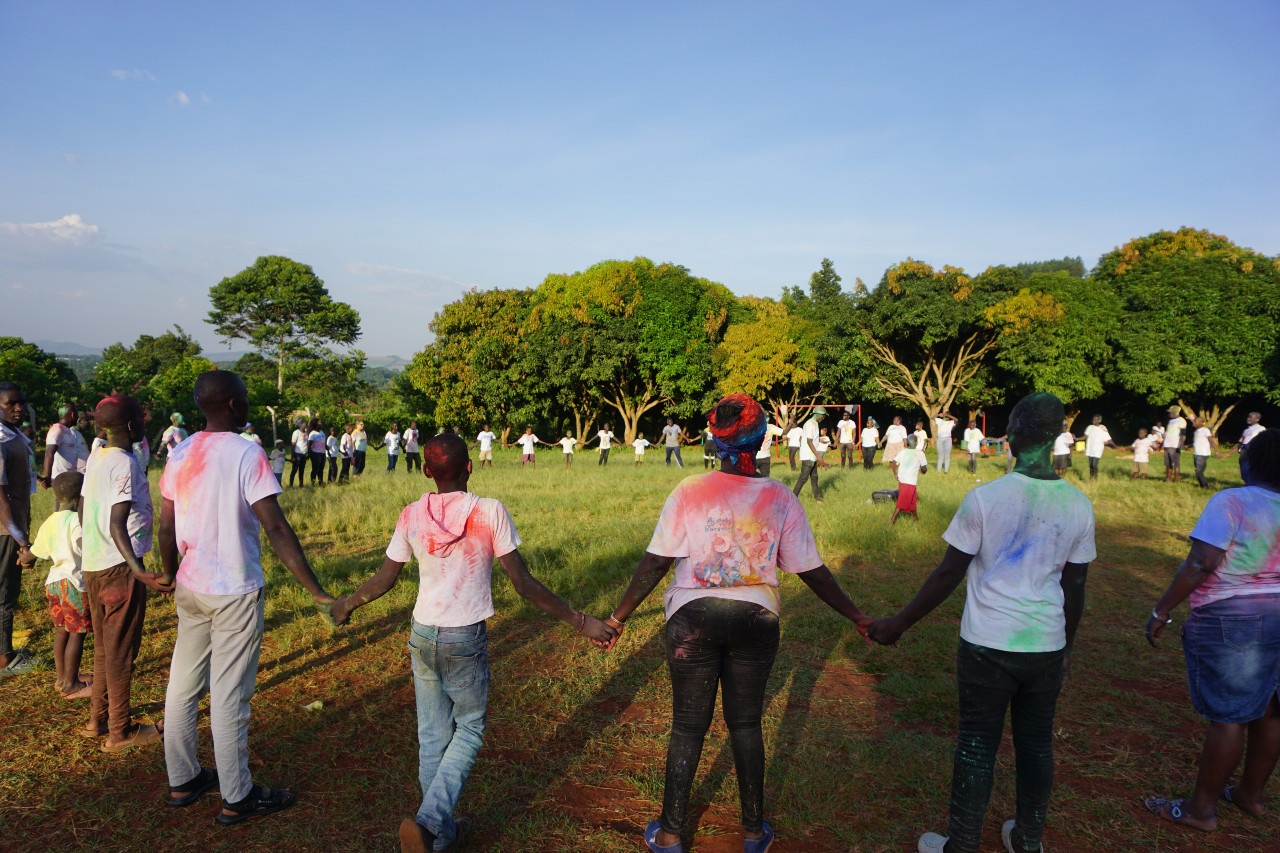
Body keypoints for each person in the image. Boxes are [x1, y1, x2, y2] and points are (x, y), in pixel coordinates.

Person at [604, 394, 872, 853]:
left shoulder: (689, 489)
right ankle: (753, 833)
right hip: (757, 617)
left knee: (689, 726)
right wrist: (858, 617)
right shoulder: (780, 496)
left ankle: (670, 834)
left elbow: (655, 562)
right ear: (763, 439)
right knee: (746, 724)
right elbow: (811, 570)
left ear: (714, 441)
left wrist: (617, 618)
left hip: (693, 618)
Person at [329, 433, 614, 852]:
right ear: (470, 467)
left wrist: (348, 603)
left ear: (426, 471)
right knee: (470, 728)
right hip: (464, 637)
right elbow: (524, 584)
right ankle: (429, 823)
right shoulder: (489, 511)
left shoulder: (411, 514)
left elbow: (384, 579)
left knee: (432, 735)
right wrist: (579, 620)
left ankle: (439, 837)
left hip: (422, 634)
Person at [868, 392, 1095, 853]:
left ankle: (963, 844)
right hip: (1046, 646)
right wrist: (1065, 650)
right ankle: (1029, 840)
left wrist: (899, 623)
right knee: (1036, 746)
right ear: (1055, 439)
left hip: (986, 646)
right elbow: (1075, 588)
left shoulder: (986, 498)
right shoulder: (1077, 504)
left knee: (976, 745)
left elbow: (949, 572)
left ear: (1010, 438)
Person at [157, 370, 335, 823]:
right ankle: (237, 796)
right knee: (230, 695)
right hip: (233, 588)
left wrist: (170, 572)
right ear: (234, 406)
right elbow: (274, 526)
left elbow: (165, 526)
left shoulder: (180, 451)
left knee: (182, 684)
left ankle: (183, 779)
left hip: (191, 584)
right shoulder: (246, 452)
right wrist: (316, 590)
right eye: (246, 398)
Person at [1142, 428, 1280, 833]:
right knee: (1271, 711)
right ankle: (1250, 796)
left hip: (1234, 619)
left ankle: (1201, 810)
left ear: (1250, 463)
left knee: (1229, 716)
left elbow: (1202, 562)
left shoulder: (1232, 501)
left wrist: (1162, 610)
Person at [79, 395, 165, 751]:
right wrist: (137, 570)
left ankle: (97, 720)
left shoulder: (96, 457)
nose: (144, 423)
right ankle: (120, 732)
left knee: (104, 648)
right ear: (131, 427)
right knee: (120, 652)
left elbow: (84, 512)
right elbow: (118, 523)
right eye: (141, 419)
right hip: (119, 568)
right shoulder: (125, 463)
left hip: (94, 564)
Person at [23, 471, 92, 697]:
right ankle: (72, 684)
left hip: (53, 583)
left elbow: (33, 554)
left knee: (62, 631)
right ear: (82, 495)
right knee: (77, 633)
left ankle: (62, 678)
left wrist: (23, 557)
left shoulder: (50, 521)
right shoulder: (75, 521)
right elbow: (84, 546)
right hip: (73, 582)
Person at [0, 383, 35, 676]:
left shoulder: (12, 435)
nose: (19, 408)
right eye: (10, 404)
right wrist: (21, 540)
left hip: (11, 527)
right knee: (4, 594)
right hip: (4, 531)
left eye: (21, 403)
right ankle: (5, 660)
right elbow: (0, 495)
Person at [41, 403, 88, 495]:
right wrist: (47, 477)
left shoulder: (68, 431)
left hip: (69, 477)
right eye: (76, 414)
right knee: (62, 505)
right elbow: (49, 453)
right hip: (61, 478)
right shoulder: (57, 430)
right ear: (72, 415)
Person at [792, 406, 826, 502]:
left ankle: (817, 498)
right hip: (809, 456)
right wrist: (819, 456)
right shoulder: (811, 424)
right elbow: (809, 441)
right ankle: (793, 498)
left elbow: (802, 438)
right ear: (818, 414)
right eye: (823, 415)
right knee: (803, 478)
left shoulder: (813, 423)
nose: (823, 418)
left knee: (814, 477)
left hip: (812, 455)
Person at [892, 434, 927, 525]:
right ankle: (891, 522)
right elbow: (924, 469)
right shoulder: (920, 453)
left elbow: (894, 462)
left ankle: (916, 520)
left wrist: (895, 473)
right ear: (916, 443)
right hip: (910, 481)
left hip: (902, 479)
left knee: (913, 500)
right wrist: (922, 470)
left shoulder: (903, 452)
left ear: (907, 442)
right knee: (901, 502)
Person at [1081, 414, 1118, 482]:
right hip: (1090, 448)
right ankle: (1091, 478)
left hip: (1098, 448)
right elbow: (1085, 436)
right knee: (1090, 464)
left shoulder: (1103, 428)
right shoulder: (1090, 427)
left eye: (1095, 419)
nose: (1093, 420)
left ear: (1099, 420)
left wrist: (1116, 446)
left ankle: (1095, 479)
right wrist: (1076, 439)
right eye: (1093, 419)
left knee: (1094, 464)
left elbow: (1109, 439)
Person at [1191, 417, 1217, 489]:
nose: (1193, 423)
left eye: (1195, 422)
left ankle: (1205, 486)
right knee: (1198, 471)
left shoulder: (1205, 430)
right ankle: (1203, 486)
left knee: (1198, 471)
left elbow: (1211, 440)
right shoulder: (1196, 431)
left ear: (1200, 423)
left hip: (1203, 453)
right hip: (1196, 453)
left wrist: (1216, 451)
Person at [1165, 405, 1188, 483]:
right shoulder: (1170, 421)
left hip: (1175, 445)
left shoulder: (1181, 421)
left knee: (1175, 463)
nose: (1170, 413)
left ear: (1176, 412)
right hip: (1167, 444)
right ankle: (1168, 479)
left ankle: (1176, 479)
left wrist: (1182, 444)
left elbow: (1183, 434)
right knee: (1168, 464)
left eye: (1171, 412)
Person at [289, 419, 309, 488]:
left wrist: (307, 453)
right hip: (297, 454)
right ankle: (291, 485)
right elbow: (293, 445)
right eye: (304, 423)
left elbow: (307, 443)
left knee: (302, 470)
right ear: (300, 425)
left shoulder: (306, 432)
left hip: (304, 454)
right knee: (294, 470)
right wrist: (292, 456)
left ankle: (301, 485)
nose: (305, 425)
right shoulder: (296, 432)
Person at [306, 419, 326, 486]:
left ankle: (320, 482)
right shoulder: (312, 434)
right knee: (315, 469)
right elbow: (309, 445)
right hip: (315, 453)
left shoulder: (322, 432)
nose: (321, 424)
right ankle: (313, 483)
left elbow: (323, 442)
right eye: (319, 422)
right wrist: (309, 454)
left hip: (322, 453)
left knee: (321, 468)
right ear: (316, 424)